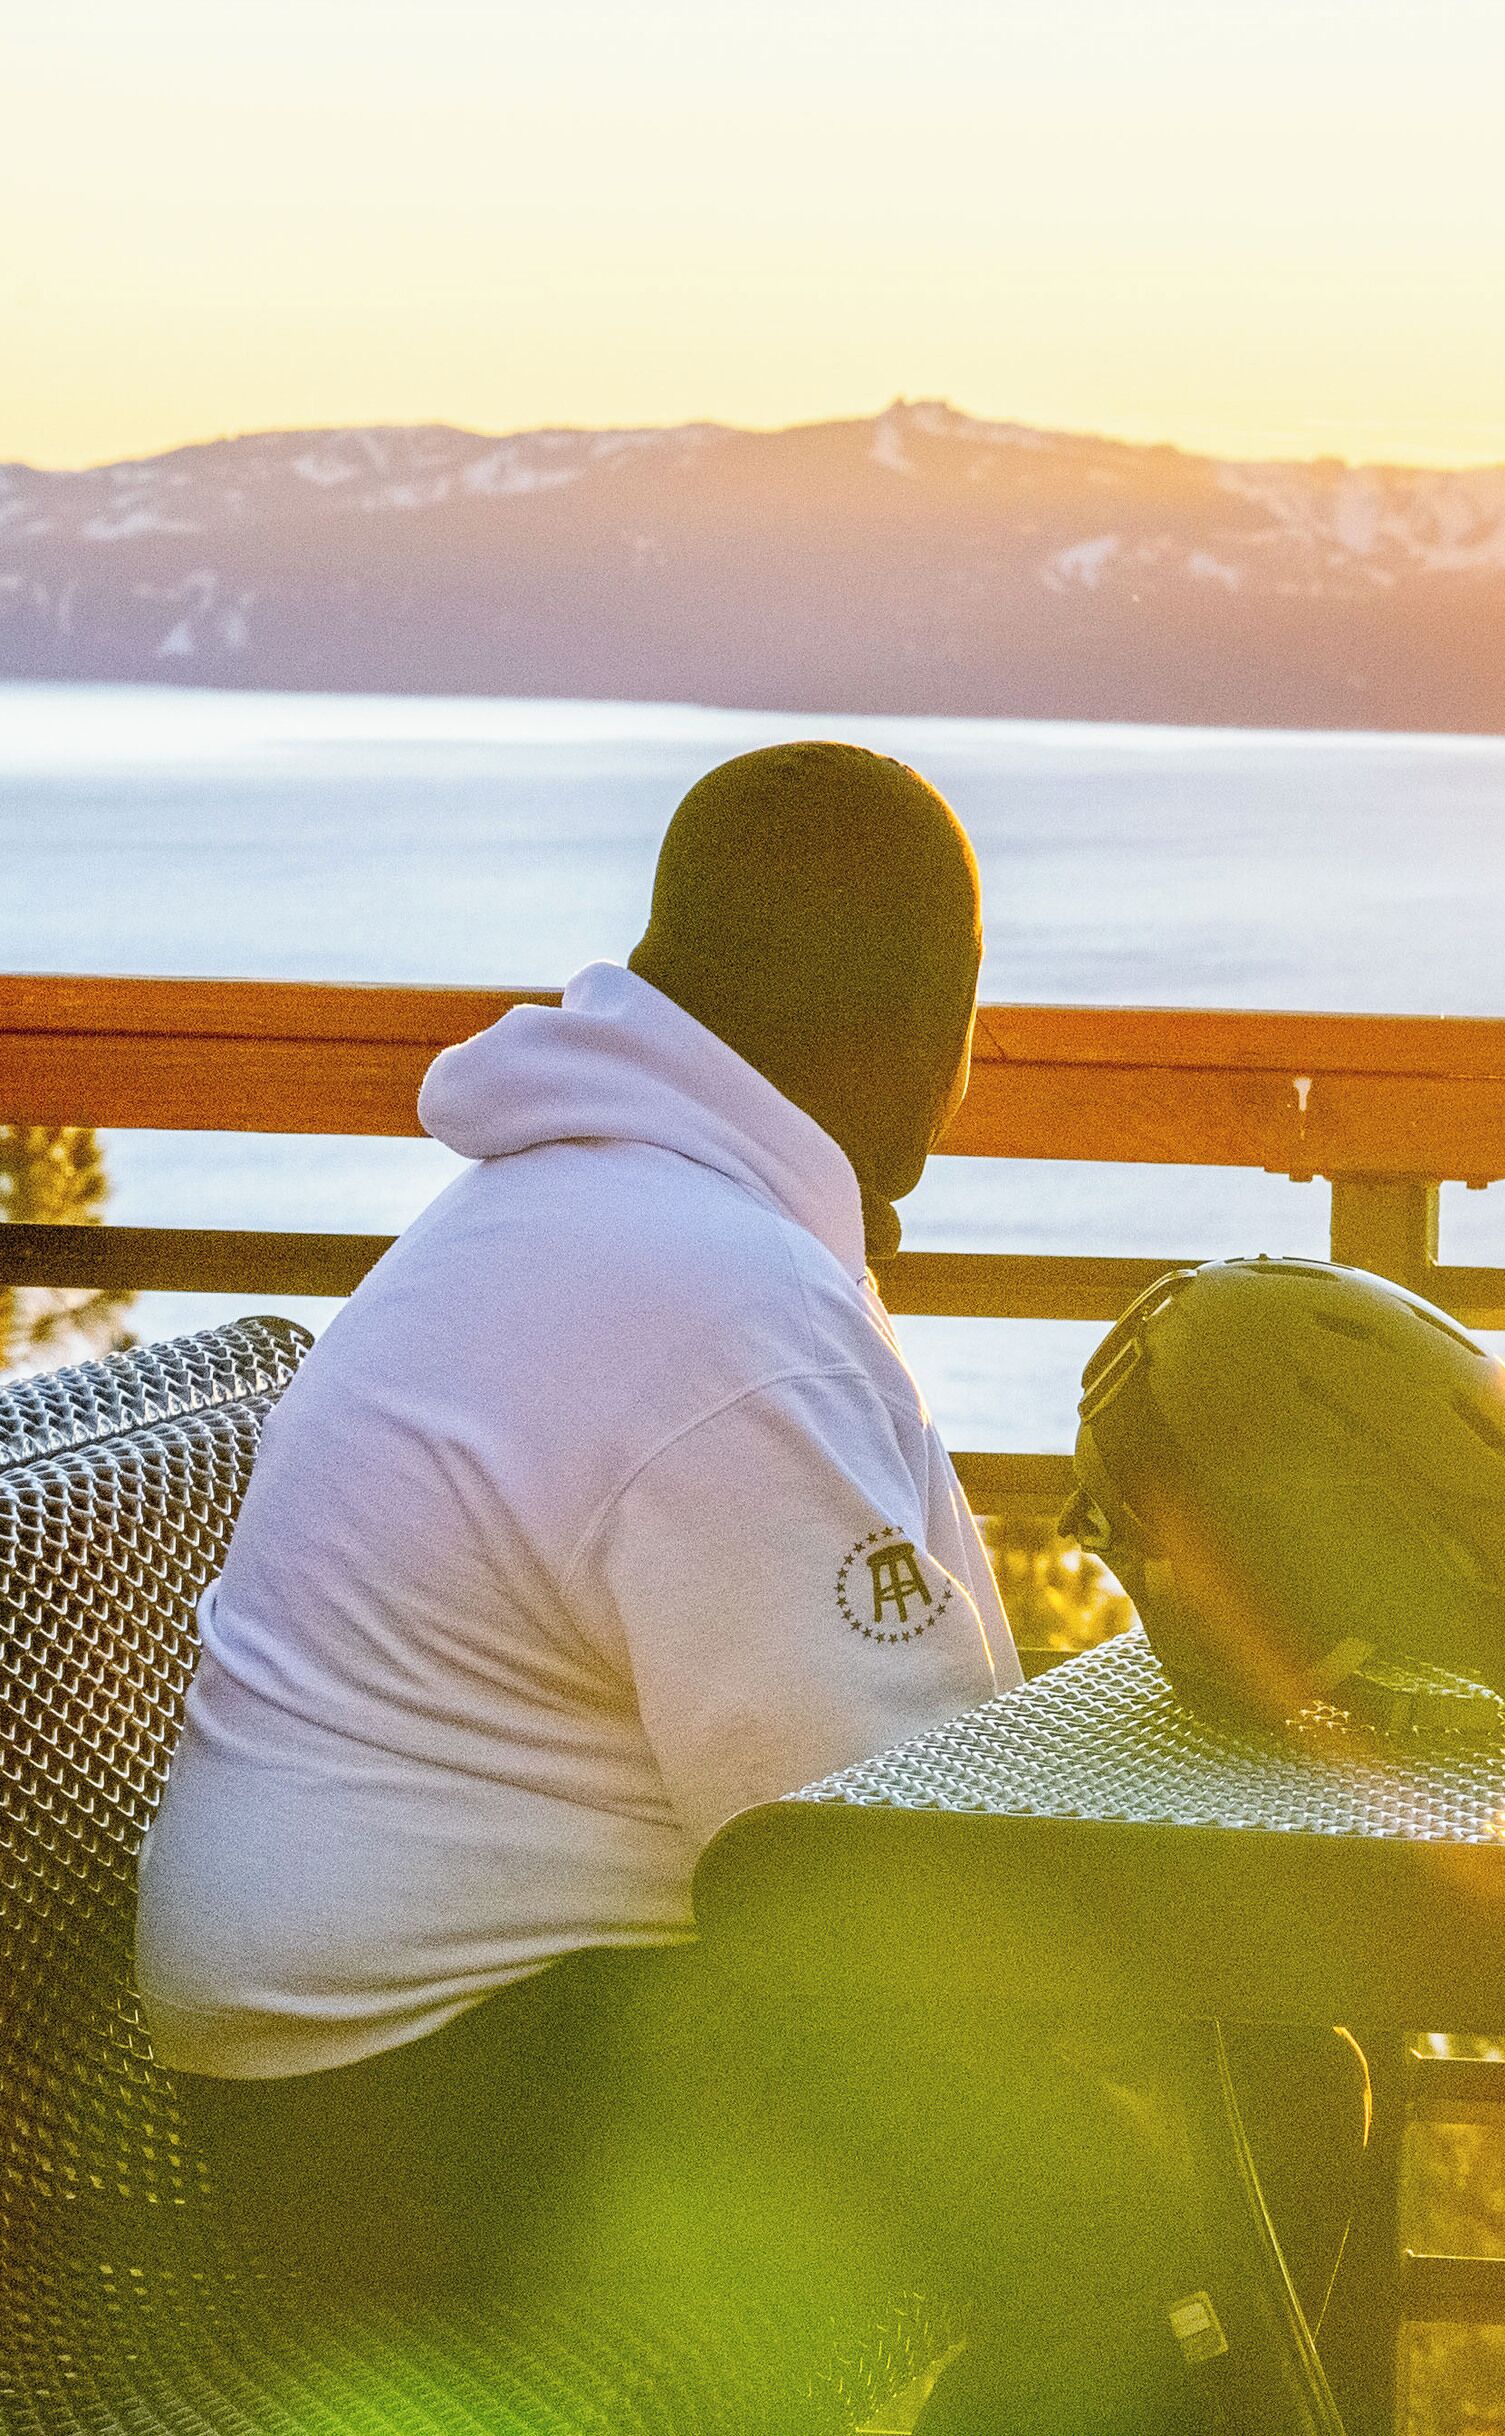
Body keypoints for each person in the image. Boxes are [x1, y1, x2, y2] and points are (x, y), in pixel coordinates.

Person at [137, 743, 1348, 2432]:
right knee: (1251, 2109)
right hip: (407, 2129)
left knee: (1174, 2124)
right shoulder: (715, 1305)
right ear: (940, 1024)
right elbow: (882, 1848)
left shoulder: (579, 1213)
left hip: (346, 2074)